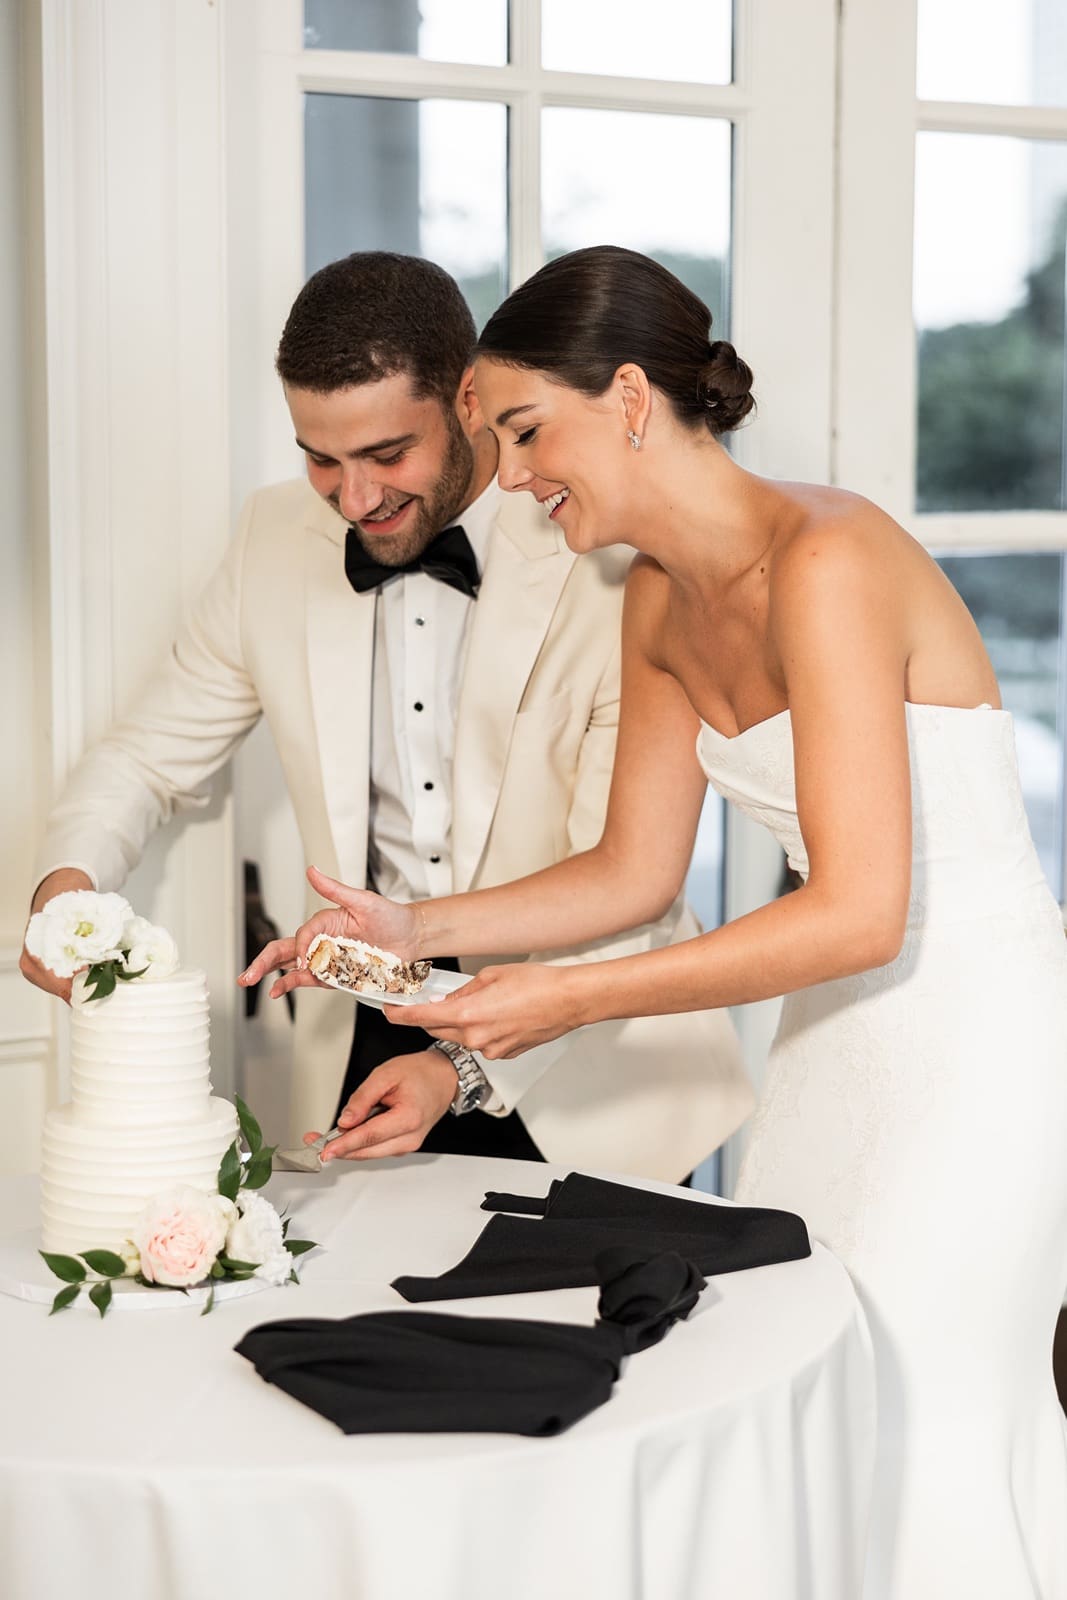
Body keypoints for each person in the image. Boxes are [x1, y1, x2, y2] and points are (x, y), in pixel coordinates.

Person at [251, 246, 1067, 1597]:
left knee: (923, 1410)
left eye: (521, 431)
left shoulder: (830, 556)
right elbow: (628, 870)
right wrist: (413, 924)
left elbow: (862, 910)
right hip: (834, 1042)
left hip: (979, 1037)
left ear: (627, 396)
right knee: (802, 1390)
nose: (509, 477)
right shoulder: (649, 601)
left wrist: (563, 997)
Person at [21, 250, 751, 1181]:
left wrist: (463, 1062)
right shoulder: (272, 540)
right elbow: (145, 757)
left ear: (472, 399)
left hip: (590, 1060)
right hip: (365, 1045)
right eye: (320, 458)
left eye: (385, 454)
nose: (353, 499)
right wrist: (67, 889)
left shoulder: (607, 549)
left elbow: (625, 877)